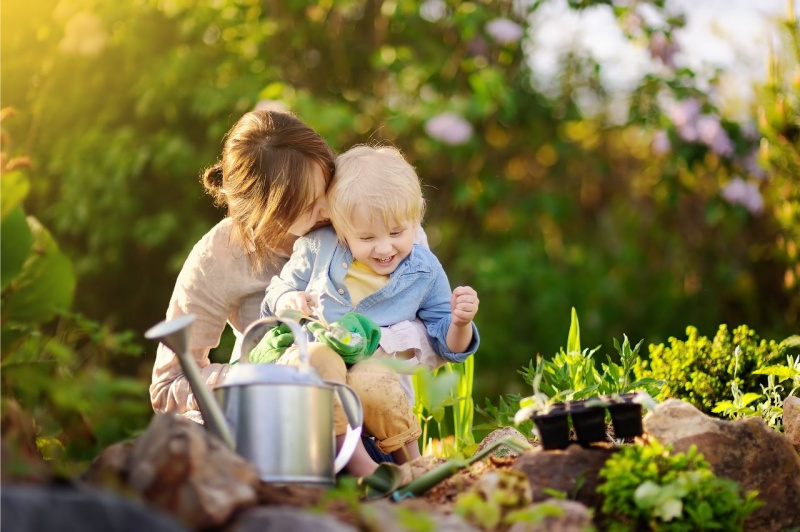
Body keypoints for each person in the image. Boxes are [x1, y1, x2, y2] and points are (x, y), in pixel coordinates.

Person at [150, 110, 439, 476]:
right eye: (308, 203)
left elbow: (438, 330)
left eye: (328, 184)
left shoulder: (372, 215)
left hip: (377, 432)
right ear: (264, 213)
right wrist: (260, 377)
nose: (330, 209)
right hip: (277, 436)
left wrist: (368, 345)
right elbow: (168, 384)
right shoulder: (221, 253)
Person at [261, 145, 480, 476]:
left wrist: (461, 323)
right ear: (342, 230)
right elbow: (276, 290)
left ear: (414, 219)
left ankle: (414, 465)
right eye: (366, 237)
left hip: (373, 382)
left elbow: (446, 344)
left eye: (396, 232)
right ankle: (355, 463)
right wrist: (287, 299)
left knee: (371, 374)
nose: (384, 247)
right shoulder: (320, 247)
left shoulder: (423, 271)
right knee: (319, 357)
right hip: (318, 371)